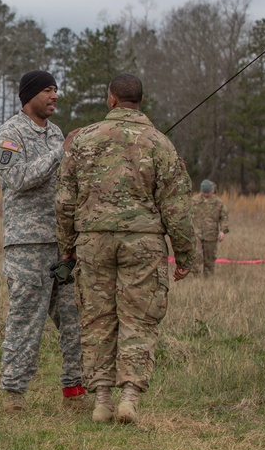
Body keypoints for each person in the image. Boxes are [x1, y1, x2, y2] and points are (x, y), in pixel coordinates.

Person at [56, 74, 196, 424]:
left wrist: (67, 247)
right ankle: (129, 399)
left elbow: (64, 201)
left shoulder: (83, 140)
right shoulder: (160, 143)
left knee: (97, 319)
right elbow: (177, 207)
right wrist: (184, 255)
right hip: (143, 243)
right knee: (139, 319)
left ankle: (101, 400)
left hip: (93, 241)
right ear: (140, 101)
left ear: (112, 100)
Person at [0, 69, 86, 413]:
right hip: (27, 245)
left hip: (62, 244)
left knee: (75, 320)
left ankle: (76, 392)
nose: (55, 95)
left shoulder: (56, 133)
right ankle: (14, 396)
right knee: (26, 320)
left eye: (56, 89)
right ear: (27, 95)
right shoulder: (10, 133)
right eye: (47, 90)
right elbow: (17, 178)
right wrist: (61, 152)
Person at [192, 179, 229, 275]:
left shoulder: (218, 203)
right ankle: (196, 276)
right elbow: (186, 216)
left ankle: (208, 279)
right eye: (204, 192)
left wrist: (223, 231)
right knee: (196, 255)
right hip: (196, 234)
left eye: (208, 192)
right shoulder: (194, 201)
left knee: (210, 258)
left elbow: (224, 218)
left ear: (212, 191)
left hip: (211, 235)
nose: (206, 195)